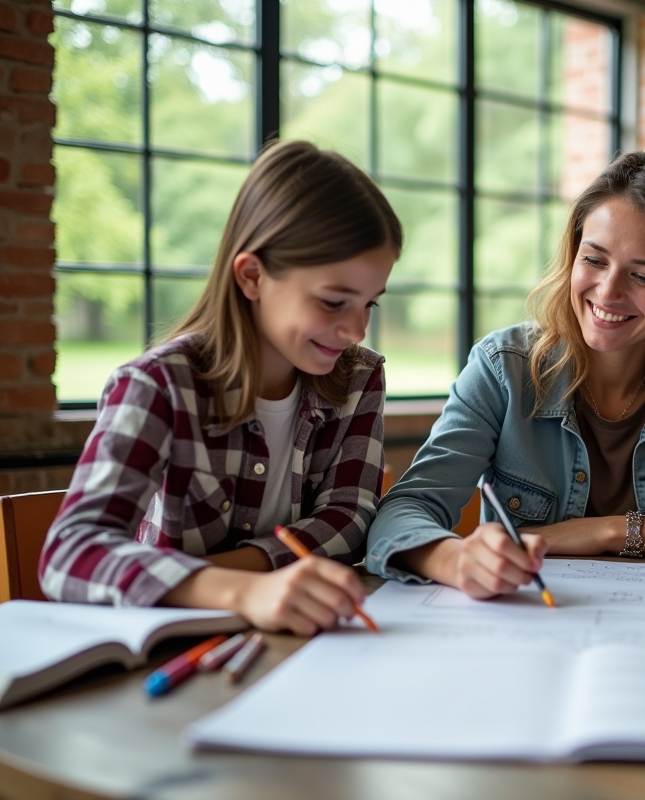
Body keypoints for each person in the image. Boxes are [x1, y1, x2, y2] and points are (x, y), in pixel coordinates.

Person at [366, 149, 645, 597]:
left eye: (643, 276)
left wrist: (610, 532)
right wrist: (455, 558)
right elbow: (402, 513)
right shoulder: (504, 368)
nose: (607, 291)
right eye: (594, 260)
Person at [40, 140, 403, 634]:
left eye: (370, 304)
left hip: (298, 638)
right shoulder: (159, 385)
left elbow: (351, 517)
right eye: (334, 301)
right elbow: (70, 553)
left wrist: (247, 576)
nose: (357, 331)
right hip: (171, 647)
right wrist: (244, 591)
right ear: (253, 276)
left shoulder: (361, 378)